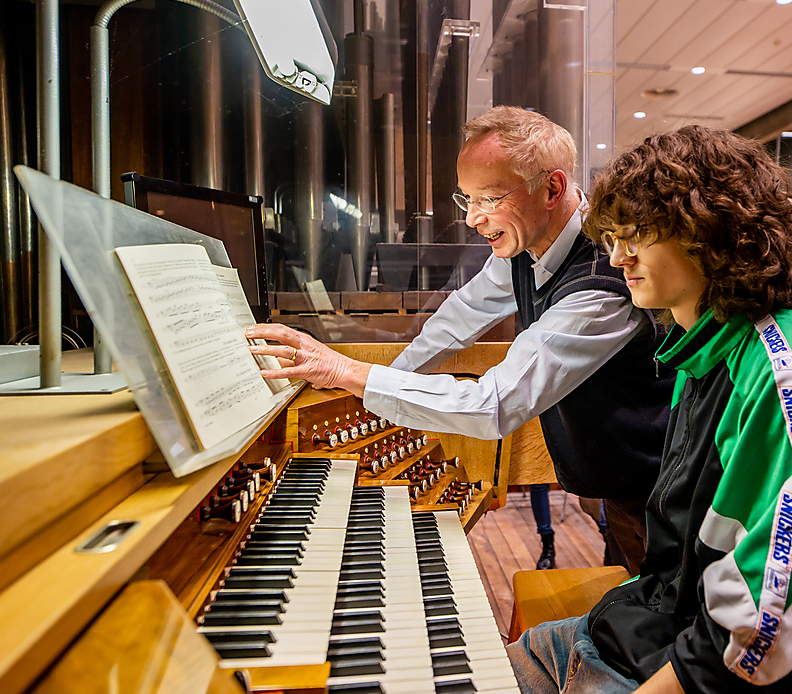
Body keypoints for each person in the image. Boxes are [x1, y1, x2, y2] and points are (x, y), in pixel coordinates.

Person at [505, 126, 792, 693]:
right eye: (613, 235)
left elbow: (757, 636)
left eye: (639, 233)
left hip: (667, 672)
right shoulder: (702, 348)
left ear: (711, 231)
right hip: (627, 634)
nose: (616, 255)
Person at [247, 106, 674, 574]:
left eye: (489, 199)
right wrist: (390, 379)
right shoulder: (526, 246)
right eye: (466, 198)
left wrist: (344, 371)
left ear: (551, 188)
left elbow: (492, 405)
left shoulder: (600, 282)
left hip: (659, 491)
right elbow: (462, 314)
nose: (473, 219)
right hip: (621, 485)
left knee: (657, 620)